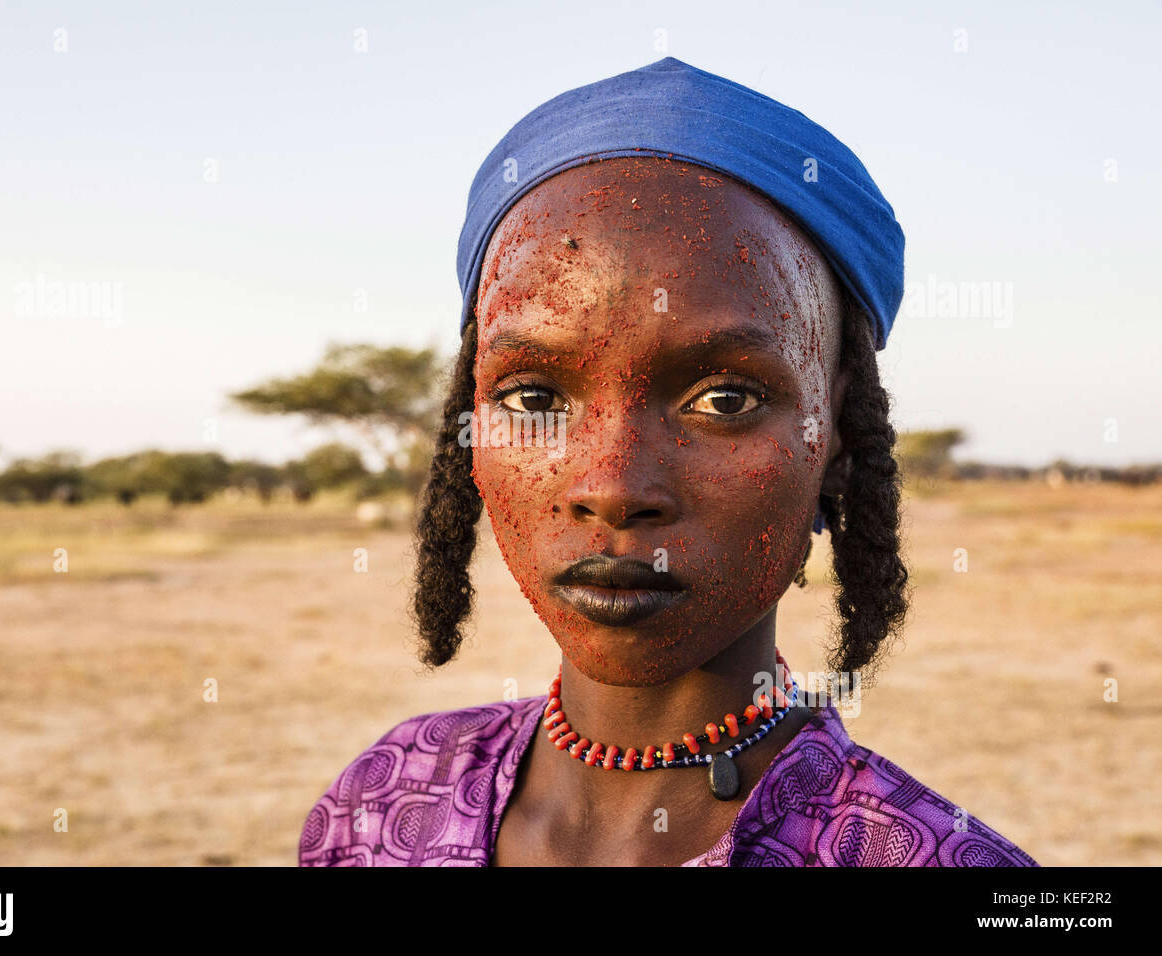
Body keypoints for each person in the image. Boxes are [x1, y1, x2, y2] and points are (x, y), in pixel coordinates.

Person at [298, 57, 1039, 867]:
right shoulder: (375, 809)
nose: (613, 488)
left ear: (839, 440)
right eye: (536, 398)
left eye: (725, 399)